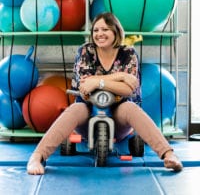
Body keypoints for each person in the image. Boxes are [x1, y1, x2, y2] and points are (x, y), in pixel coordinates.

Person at [27, 12, 183, 175]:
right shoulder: (85, 52)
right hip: (87, 112)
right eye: (96, 30)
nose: (99, 34)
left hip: (118, 115)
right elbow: (85, 87)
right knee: (74, 110)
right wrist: (120, 76)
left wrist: (98, 81)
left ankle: (169, 154)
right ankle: (37, 156)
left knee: (130, 107)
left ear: (116, 32)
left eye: (105, 29)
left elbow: (128, 89)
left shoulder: (128, 53)